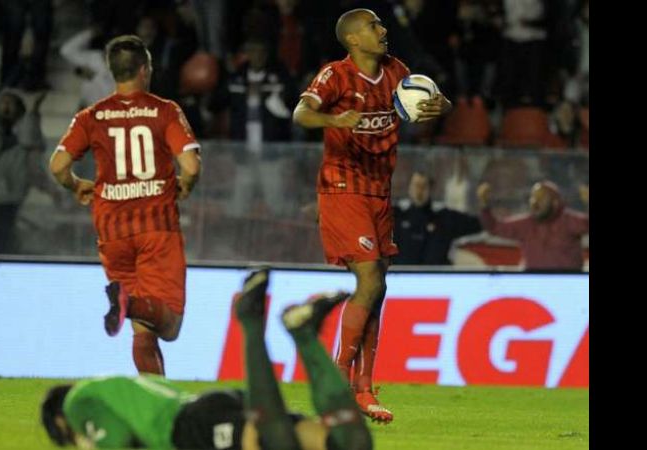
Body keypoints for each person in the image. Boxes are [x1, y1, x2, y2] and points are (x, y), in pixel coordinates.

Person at [292, 8, 452, 423]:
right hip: (343, 189)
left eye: (381, 24)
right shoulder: (335, 76)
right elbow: (301, 113)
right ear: (353, 40)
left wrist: (440, 106)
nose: (383, 31)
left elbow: (435, 98)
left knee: (378, 288)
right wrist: (334, 118)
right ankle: (339, 377)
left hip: (380, 192)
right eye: (374, 26)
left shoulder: (397, 70)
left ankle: (363, 389)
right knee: (370, 279)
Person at [41, 268, 373, 450]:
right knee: (350, 443)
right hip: (209, 408)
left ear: (59, 423)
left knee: (276, 443)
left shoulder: (76, 402)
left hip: (191, 430)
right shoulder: (118, 388)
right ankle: (304, 335)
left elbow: (116, 443)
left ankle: (252, 320)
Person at [48, 35, 202, 376]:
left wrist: (76, 185)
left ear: (111, 71)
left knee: (142, 329)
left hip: (112, 231)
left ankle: (154, 403)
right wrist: (185, 185)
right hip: (155, 228)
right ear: (145, 69)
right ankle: (127, 302)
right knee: (169, 325)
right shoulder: (164, 110)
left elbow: (57, 165)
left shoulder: (92, 115)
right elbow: (190, 165)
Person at [477, 179, 588, 270]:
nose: (535, 202)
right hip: (533, 284)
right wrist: (484, 205)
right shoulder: (526, 224)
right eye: (533, 197)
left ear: (555, 202)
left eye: (541, 198)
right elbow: (495, 228)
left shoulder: (568, 221)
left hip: (569, 284)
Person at [0, 89, 48, 254]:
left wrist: (32, 110)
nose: (6, 106)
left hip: (10, 203)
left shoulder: (26, 133)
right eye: (2, 102)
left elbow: (32, 141)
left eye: (10, 102)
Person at [393, 171, 481, 265]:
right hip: (402, 276)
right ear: (409, 188)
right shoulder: (398, 215)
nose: (419, 190)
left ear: (430, 189)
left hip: (436, 276)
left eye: (424, 186)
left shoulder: (443, 216)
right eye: (416, 185)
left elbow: (477, 224)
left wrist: (482, 204)